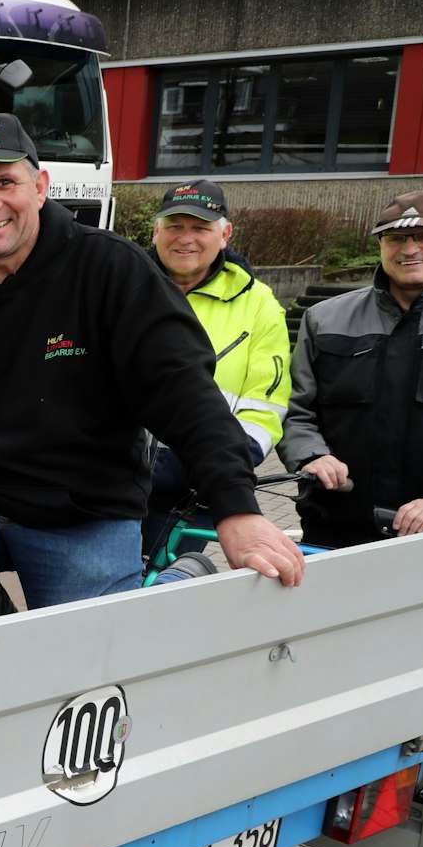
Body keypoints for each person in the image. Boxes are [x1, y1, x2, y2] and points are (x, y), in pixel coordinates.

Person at [0, 114, 304, 624]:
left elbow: (186, 394)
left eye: (4, 182)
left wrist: (235, 509)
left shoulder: (112, 270)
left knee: (87, 662)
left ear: (40, 187)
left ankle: (180, 576)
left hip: (80, 509)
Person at [279, 190, 423, 548]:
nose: (409, 249)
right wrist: (312, 455)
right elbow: (295, 411)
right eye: (395, 238)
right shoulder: (325, 319)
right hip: (335, 528)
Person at [140, 179, 293, 564]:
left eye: (200, 227)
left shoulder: (259, 304)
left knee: (155, 589)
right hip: (110, 484)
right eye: (174, 226)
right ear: (156, 230)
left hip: (193, 489)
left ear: (225, 234)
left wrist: (222, 470)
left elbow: (265, 405)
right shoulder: (123, 283)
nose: (185, 238)